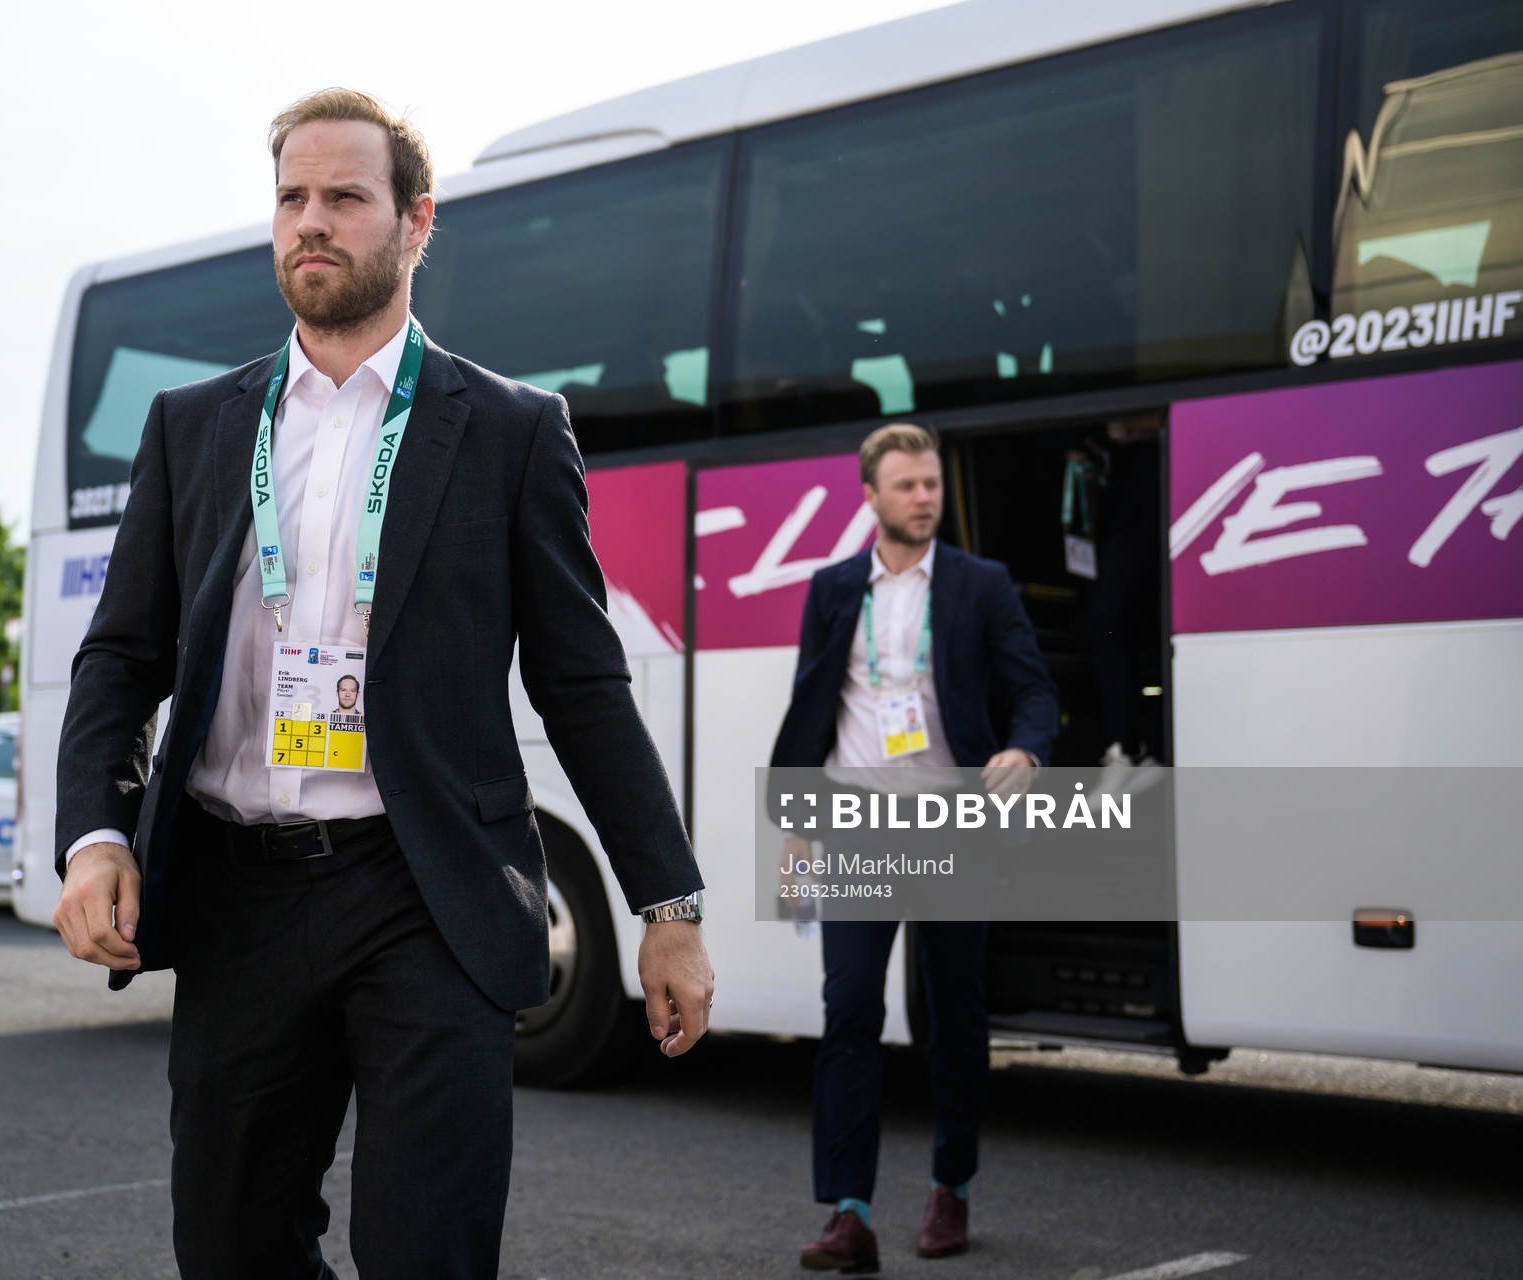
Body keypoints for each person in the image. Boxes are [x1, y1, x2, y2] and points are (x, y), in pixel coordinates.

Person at [52, 88, 712, 1280]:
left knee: (427, 1250)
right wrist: (97, 832)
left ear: (415, 225)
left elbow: (584, 682)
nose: (312, 222)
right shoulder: (192, 426)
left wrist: (667, 907)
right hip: (237, 894)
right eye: (292, 197)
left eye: (345, 198)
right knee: (232, 1247)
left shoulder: (513, 431)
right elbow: (119, 656)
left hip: (426, 893)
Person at [770, 423, 1057, 1271]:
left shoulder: (980, 585)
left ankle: (951, 1187)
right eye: (907, 486)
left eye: (931, 484)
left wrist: (1024, 749)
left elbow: (1034, 691)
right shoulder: (831, 590)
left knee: (954, 1012)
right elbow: (811, 710)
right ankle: (848, 1213)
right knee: (850, 1011)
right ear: (872, 496)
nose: (924, 497)